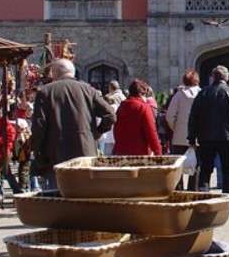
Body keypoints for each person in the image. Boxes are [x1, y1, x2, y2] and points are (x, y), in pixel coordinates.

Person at [31, 59, 116, 190]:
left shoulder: (45, 92)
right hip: (85, 153)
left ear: (54, 72)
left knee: (58, 195)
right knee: (85, 195)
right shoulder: (88, 90)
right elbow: (110, 115)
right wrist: (96, 133)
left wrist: (37, 153)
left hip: (56, 155)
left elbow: (39, 127)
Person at [188, 65, 229, 193]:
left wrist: (191, 137)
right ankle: (228, 200)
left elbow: (193, 117)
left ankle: (204, 197)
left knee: (205, 171)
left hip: (206, 138)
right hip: (227, 138)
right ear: (226, 78)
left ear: (213, 77)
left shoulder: (203, 93)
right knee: (228, 172)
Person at [165, 70, 201, 189]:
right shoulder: (202, 94)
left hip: (179, 138)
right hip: (197, 137)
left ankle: (179, 190)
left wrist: (175, 128)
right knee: (196, 167)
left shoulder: (179, 95)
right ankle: (194, 190)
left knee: (178, 167)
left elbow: (170, 116)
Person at [113, 79, 162, 156]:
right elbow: (151, 132)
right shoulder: (143, 107)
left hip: (121, 152)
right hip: (139, 153)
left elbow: (116, 130)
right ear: (142, 94)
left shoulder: (121, 107)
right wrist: (158, 153)